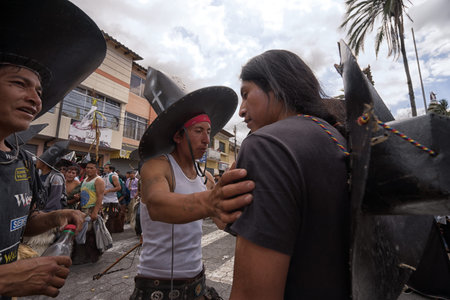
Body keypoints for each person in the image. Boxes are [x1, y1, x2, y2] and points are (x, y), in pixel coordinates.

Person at [0, 0, 106, 297]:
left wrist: (56, 218)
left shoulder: (20, 161)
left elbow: (21, 223)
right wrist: (5, 280)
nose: (35, 99)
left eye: (39, 91)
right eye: (20, 83)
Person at [228, 50, 350, 300]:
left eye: (246, 94)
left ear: (275, 87)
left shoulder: (266, 144)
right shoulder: (336, 136)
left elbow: (253, 294)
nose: (241, 111)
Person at [130, 67, 254, 300]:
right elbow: (157, 205)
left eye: (208, 132)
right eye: (198, 131)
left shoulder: (203, 176)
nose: (207, 140)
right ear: (178, 136)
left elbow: (218, 217)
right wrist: (213, 201)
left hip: (197, 280)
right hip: (157, 284)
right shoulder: (157, 166)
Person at [72, 161, 105, 264]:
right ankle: (82, 256)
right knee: (82, 233)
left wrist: (95, 212)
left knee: (88, 234)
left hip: (91, 210)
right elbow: (86, 193)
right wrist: (79, 197)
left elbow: (100, 197)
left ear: (97, 169)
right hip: (82, 209)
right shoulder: (85, 179)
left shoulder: (98, 180)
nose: (89, 170)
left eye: (91, 168)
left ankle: (90, 256)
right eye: (87, 168)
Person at [102, 163, 123, 233]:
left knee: (110, 220)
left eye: (106, 168)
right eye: (104, 168)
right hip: (103, 201)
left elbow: (119, 187)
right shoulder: (103, 176)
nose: (104, 170)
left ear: (111, 169)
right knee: (104, 219)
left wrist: (108, 191)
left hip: (112, 202)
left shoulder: (113, 176)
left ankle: (109, 235)